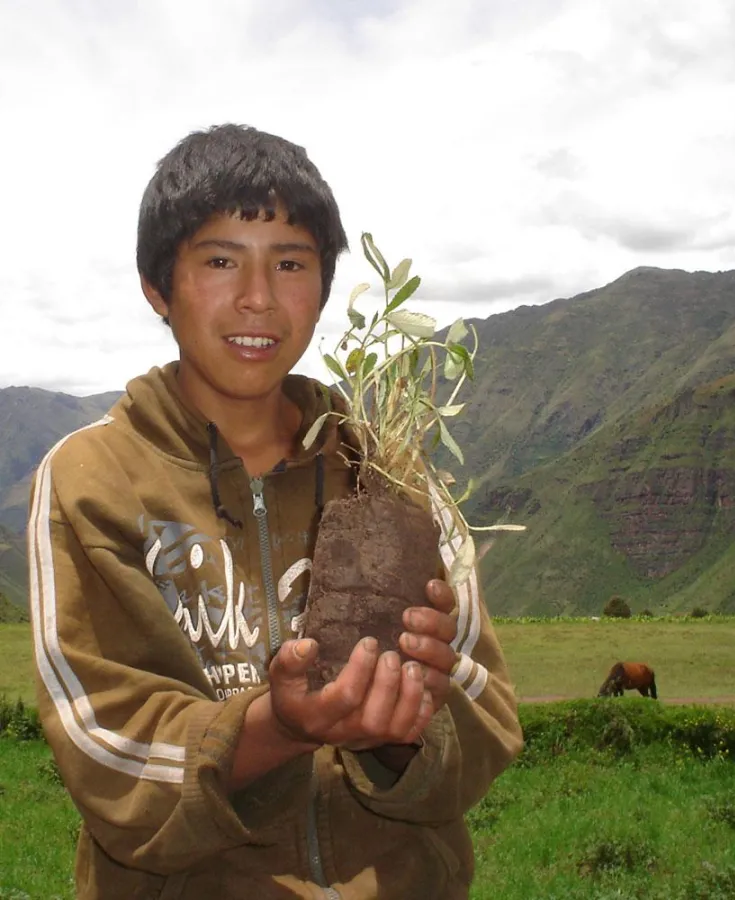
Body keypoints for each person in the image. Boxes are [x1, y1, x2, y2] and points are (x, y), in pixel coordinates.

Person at [28, 124, 523, 899]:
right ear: (158, 287)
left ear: (326, 288)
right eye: (220, 260)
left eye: (291, 263)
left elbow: (485, 717)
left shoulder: (390, 470)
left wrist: (403, 729)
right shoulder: (95, 476)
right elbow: (106, 748)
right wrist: (280, 728)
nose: (257, 297)